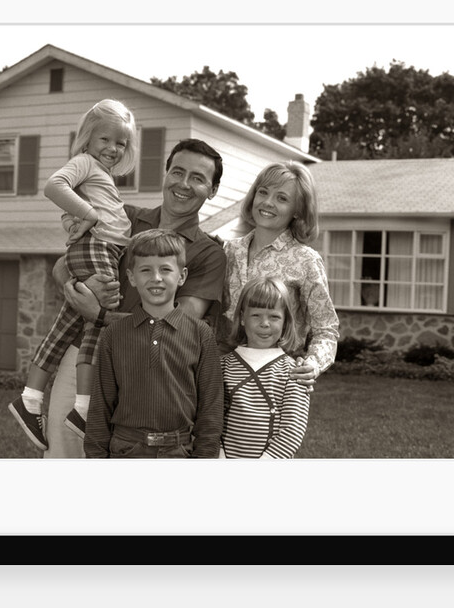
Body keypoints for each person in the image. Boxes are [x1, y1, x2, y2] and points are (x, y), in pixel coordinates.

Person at [43, 138, 228, 458]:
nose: (184, 184)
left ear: (212, 190)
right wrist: (81, 283)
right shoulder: (123, 216)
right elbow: (61, 267)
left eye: (198, 178)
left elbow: (179, 322)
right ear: (165, 174)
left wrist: (98, 314)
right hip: (85, 354)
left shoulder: (209, 253)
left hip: (150, 370)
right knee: (64, 451)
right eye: (178, 172)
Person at [8, 99, 137, 450]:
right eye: (105, 140)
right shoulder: (84, 162)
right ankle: (83, 407)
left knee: (68, 323)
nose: (112, 148)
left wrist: (80, 216)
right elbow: (54, 186)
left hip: (101, 247)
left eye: (121, 143)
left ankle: (31, 397)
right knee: (98, 317)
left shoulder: (99, 172)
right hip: (98, 247)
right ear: (87, 139)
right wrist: (89, 215)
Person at [83, 229, 223, 458]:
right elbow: (100, 406)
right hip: (126, 449)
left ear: (182, 276)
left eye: (165, 269)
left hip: (179, 451)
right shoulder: (114, 335)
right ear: (131, 277)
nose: (156, 278)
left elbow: (211, 409)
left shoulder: (201, 334)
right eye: (145, 270)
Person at [220, 161, 340, 385]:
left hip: (278, 380)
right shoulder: (229, 251)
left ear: (297, 211)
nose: (267, 202)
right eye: (263, 192)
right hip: (225, 375)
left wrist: (312, 364)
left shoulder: (306, 261)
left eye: (282, 198)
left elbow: (326, 329)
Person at [219, 276, 310, 459]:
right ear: (242, 318)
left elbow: (292, 431)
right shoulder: (221, 367)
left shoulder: (294, 373)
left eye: (274, 317)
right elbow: (209, 421)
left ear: (285, 322)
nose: (265, 323)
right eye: (256, 315)